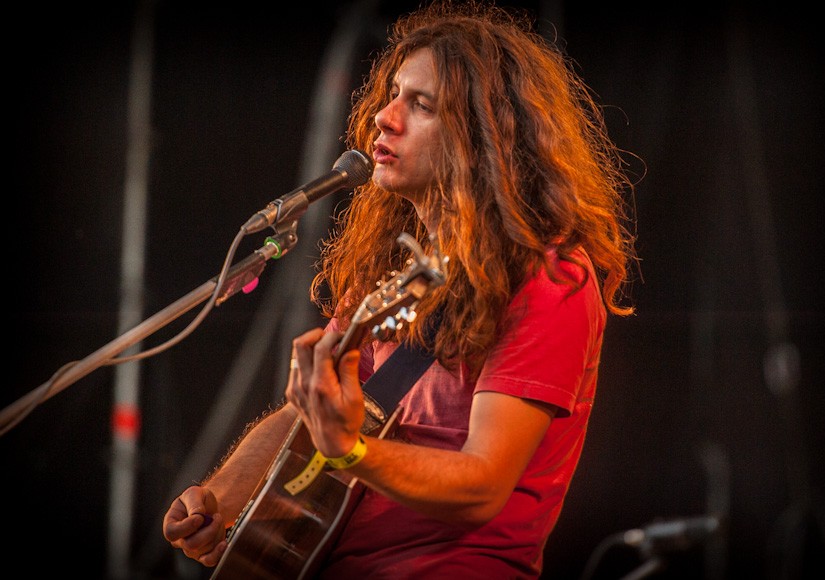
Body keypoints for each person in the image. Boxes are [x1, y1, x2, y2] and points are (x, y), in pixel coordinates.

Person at [162, 0, 638, 577]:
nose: (383, 119)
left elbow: (484, 484)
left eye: (421, 104)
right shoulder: (400, 272)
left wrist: (354, 451)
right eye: (392, 94)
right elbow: (303, 419)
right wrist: (219, 498)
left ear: (485, 136)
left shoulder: (551, 279)